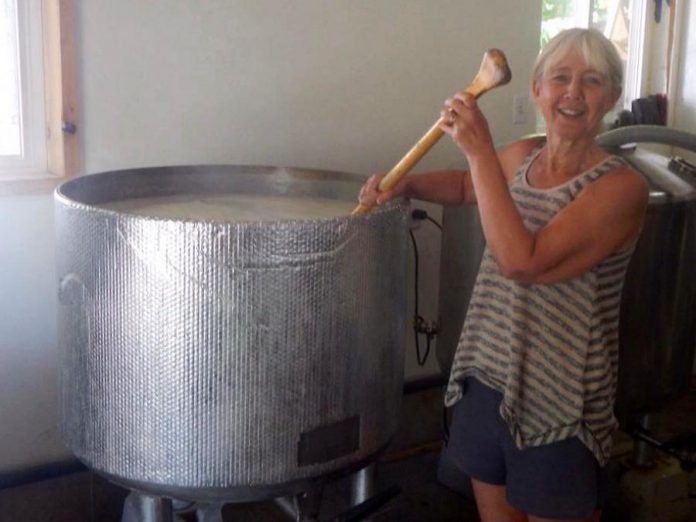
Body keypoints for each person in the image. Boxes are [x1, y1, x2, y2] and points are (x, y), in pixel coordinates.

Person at [359, 28, 649, 522]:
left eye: (592, 80)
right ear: (536, 89)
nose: (573, 92)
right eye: (559, 77)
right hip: (486, 374)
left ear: (613, 97)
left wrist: (477, 150)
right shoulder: (524, 155)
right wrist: (407, 185)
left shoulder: (622, 188)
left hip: (561, 399)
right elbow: (468, 186)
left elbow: (523, 261)